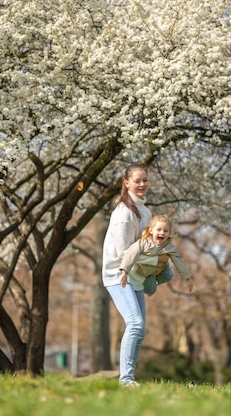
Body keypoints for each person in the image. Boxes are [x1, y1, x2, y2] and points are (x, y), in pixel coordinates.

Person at [102, 163, 165, 386]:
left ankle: (130, 378)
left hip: (135, 274)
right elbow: (123, 253)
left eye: (145, 180)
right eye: (137, 181)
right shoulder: (124, 214)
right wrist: (152, 262)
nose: (142, 184)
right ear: (126, 182)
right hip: (117, 274)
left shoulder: (145, 212)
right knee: (135, 323)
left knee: (141, 330)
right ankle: (126, 380)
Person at [119, 214, 193, 296]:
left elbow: (179, 261)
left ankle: (158, 275)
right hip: (147, 272)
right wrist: (125, 271)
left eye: (165, 231)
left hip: (161, 269)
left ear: (169, 233)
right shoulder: (143, 243)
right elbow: (131, 254)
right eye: (158, 229)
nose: (162, 233)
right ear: (151, 230)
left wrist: (187, 278)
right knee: (151, 290)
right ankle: (152, 281)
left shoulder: (169, 247)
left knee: (169, 275)